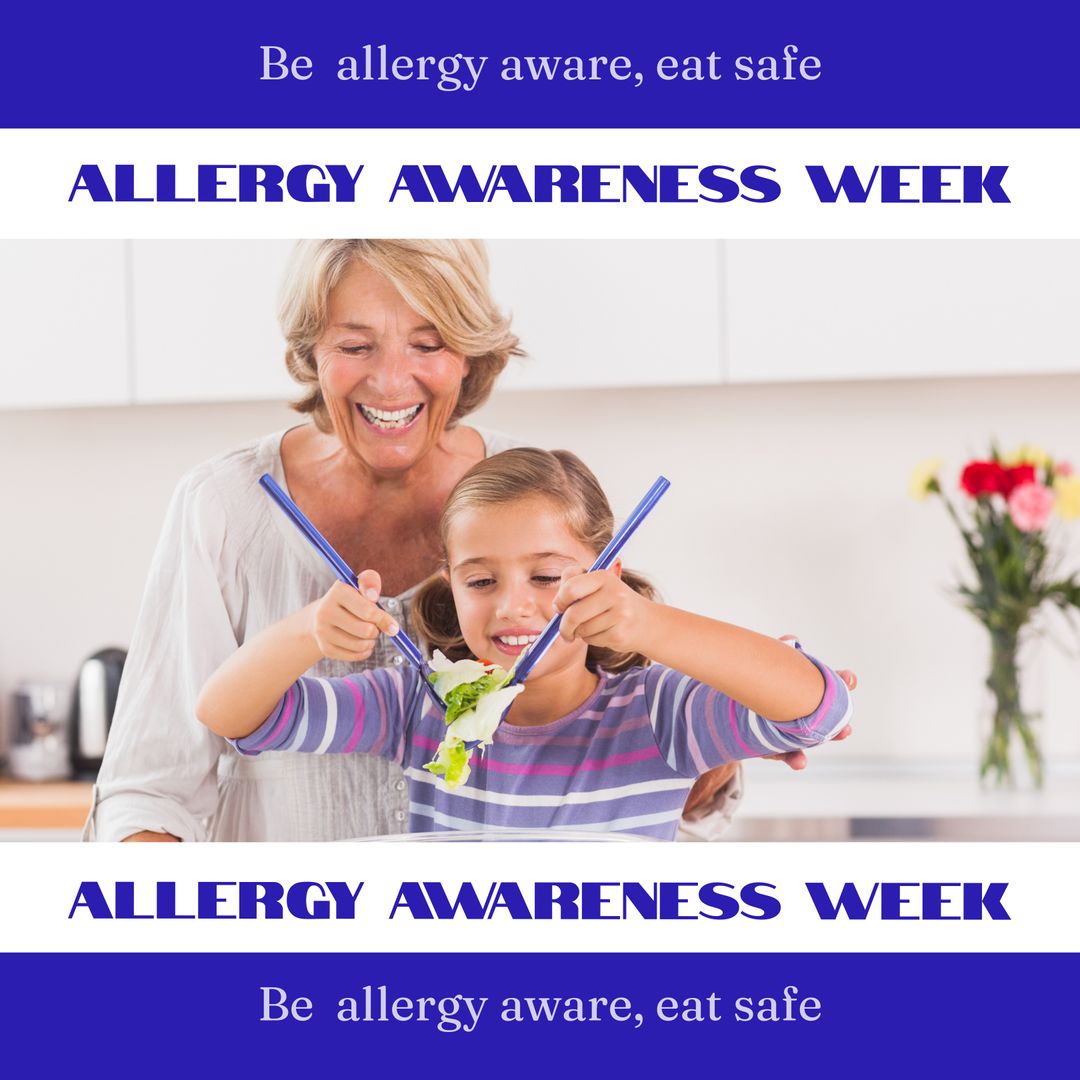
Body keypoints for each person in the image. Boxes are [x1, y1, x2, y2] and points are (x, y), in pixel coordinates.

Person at [85, 239, 751, 842]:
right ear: (310, 354)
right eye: (355, 346)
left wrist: (718, 740)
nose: (391, 381)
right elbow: (152, 787)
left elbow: (632, 716)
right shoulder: (222, 506)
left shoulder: (531, 494)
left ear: (470, 355)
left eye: (428, 344)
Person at [196, 449, 852, 839]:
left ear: (606, 580)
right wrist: (307, 632)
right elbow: (230, 717)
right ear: (449, 584)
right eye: (481, 579)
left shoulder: (657, 713)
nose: (514, 605)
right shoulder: (421, 704)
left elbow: (817, 708)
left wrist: (649, 626)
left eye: (546, 576)